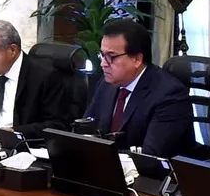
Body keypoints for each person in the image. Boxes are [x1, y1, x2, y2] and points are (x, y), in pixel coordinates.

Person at [79, 18, 192, 157]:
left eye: (111, 57)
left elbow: (151, 156)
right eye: (102, 55)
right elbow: (86, 130)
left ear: (137, 59)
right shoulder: (107, 84)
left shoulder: (170, 95)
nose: (103, 64)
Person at [0, 20, 81, 135]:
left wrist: (15, 132)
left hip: (20, 143)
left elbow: (57, 126)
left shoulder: (45, 77)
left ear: (12, 50)